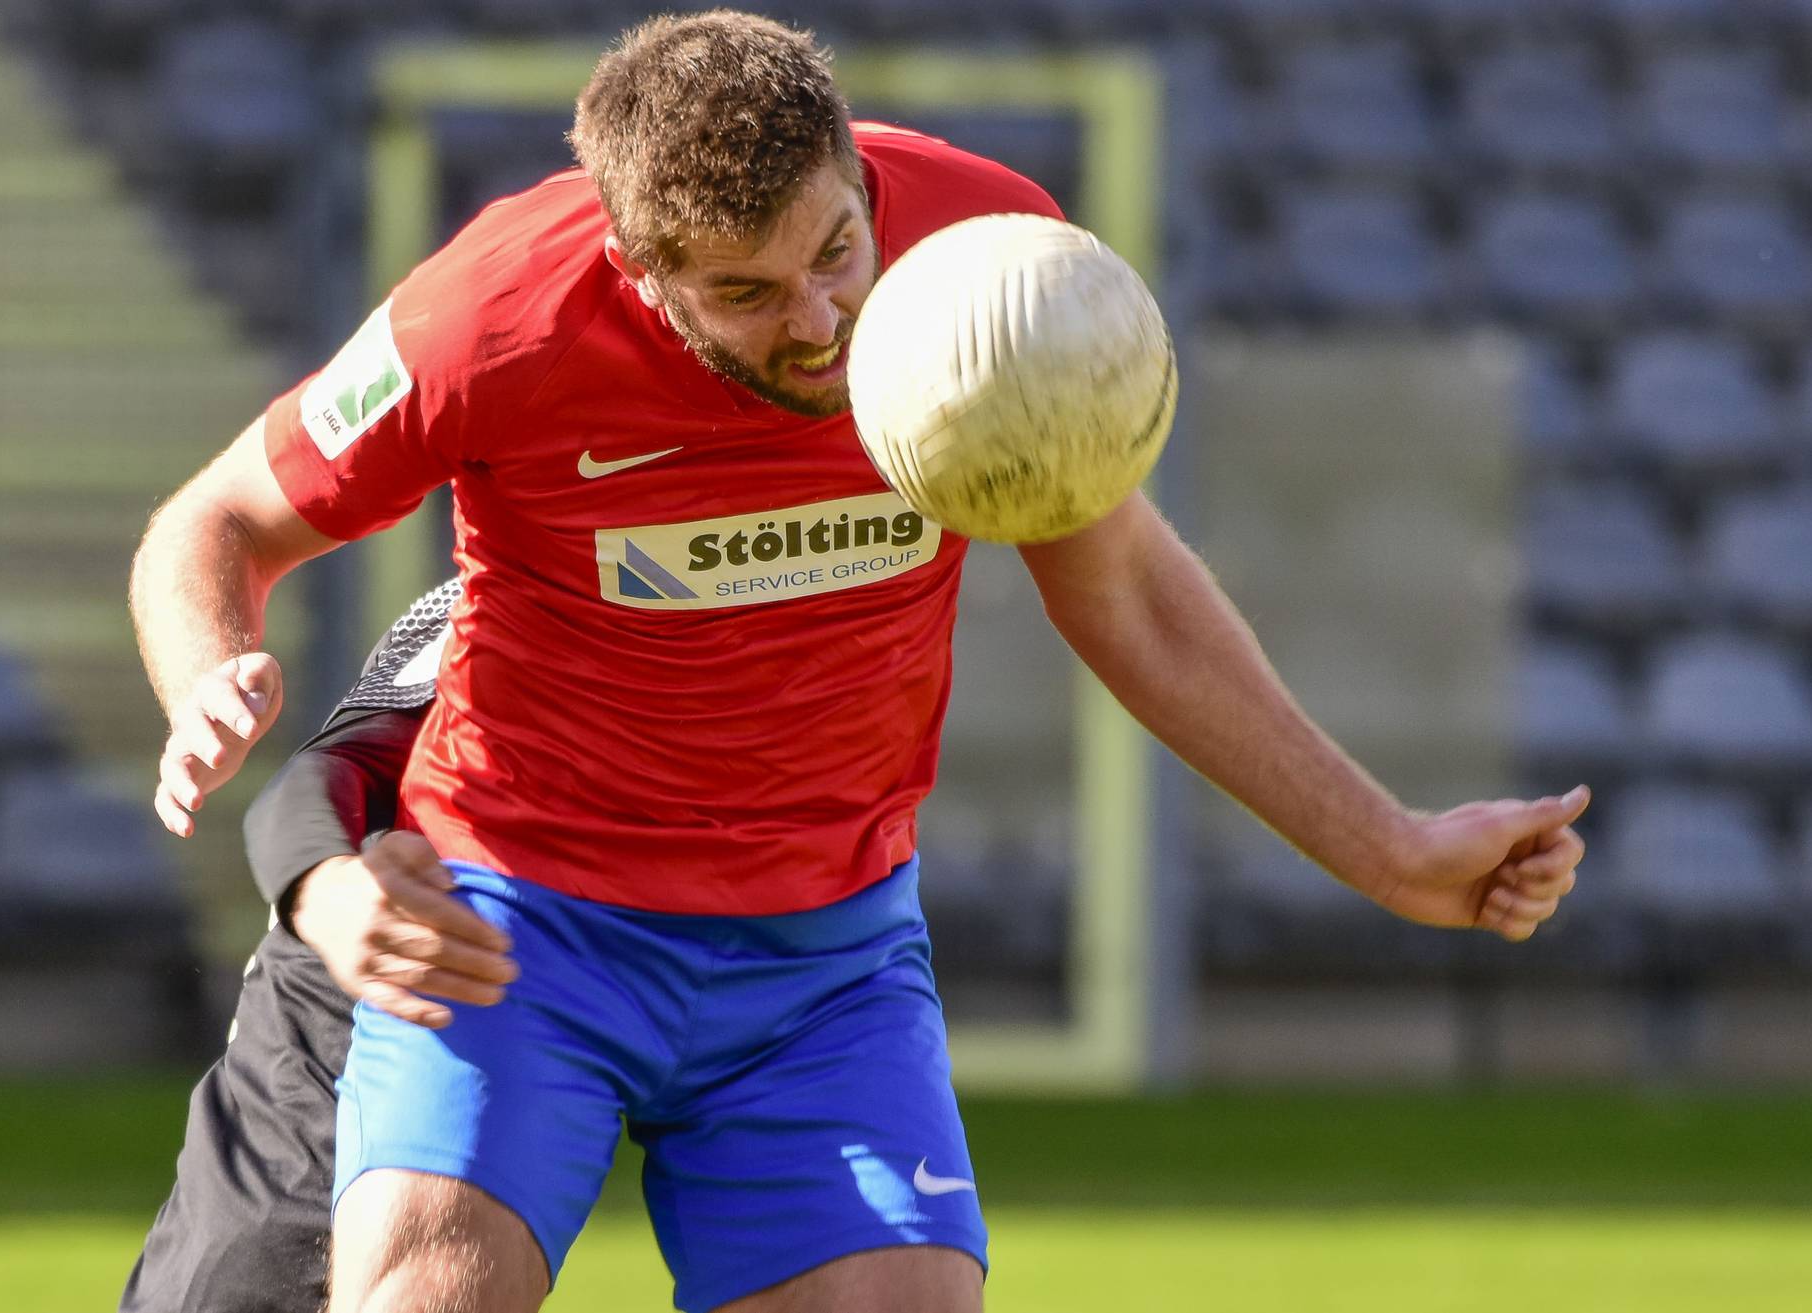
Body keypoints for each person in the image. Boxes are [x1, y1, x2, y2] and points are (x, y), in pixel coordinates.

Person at [126, 12, 1590, 1312]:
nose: (822, 321)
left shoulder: (987, 266)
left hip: (822, 952)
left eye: (835, 249)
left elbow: (1129, 596)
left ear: (859, 179)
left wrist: (1393, 851)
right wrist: (207, 675)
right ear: (638, 269)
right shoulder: (486, 320)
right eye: (747, 296)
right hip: (520, 924)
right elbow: (216, 523)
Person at [120, 583, 459, 1313]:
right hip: (362, 1008)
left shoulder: (762, 599)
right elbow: (313, 781)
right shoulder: (491, 602)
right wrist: (324, 888)